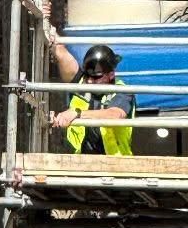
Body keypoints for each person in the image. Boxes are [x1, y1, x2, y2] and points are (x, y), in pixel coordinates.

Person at [47, 18, 135, 155]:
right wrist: (44, 18)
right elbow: (60, 50)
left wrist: (77, 114)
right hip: (81, 164)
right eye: (88, 76)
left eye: (96, 77)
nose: (89, 81)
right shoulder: (81, 83)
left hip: (115, 167)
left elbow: (115, 115)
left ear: (110, 75)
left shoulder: (122, 91)